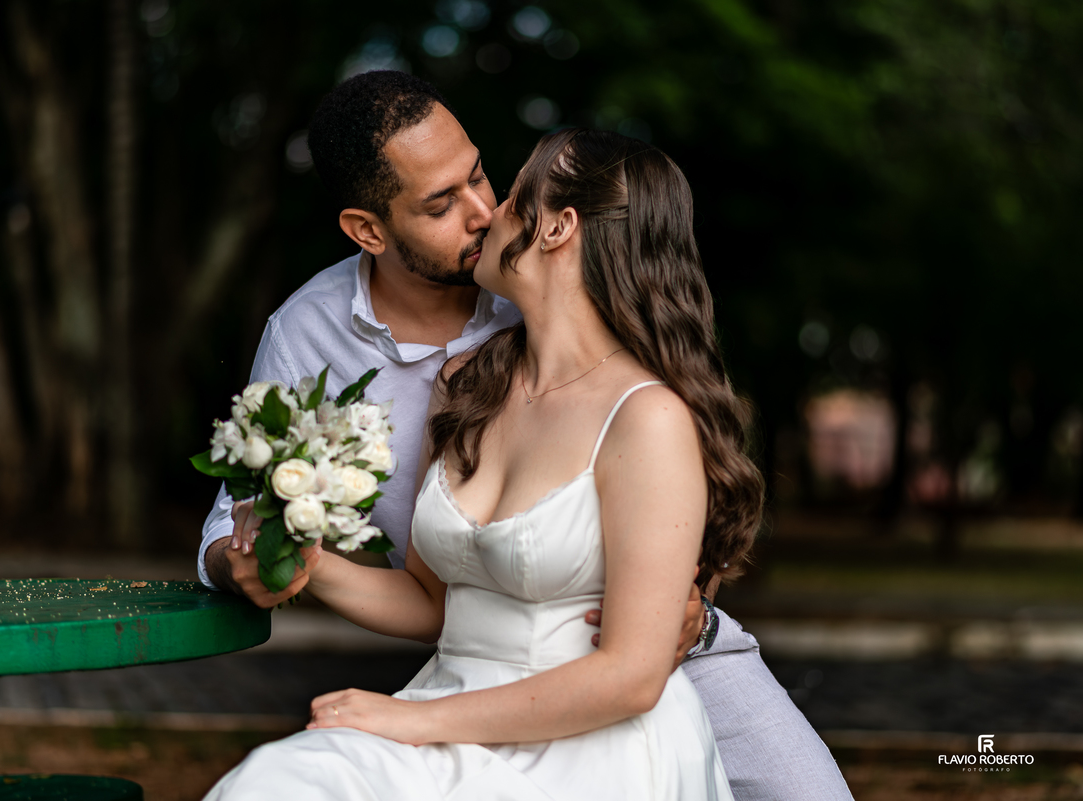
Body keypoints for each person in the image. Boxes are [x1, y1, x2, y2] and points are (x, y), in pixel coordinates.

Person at [199, 71, 853, 801]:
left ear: (556, 228)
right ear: (369, 230)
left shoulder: (584, 329)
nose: (482, 211)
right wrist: (262, 559)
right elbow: (249, 521)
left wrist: (689, 592)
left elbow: (683, 465)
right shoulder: (355, 349)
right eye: (442, 204)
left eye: (484, 177)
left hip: (653, 655)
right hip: (465, 669)